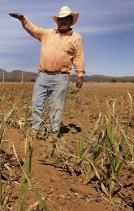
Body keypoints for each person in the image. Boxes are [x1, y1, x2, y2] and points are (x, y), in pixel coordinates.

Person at [9, 6, 85, 139]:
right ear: (57, 21)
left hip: (61, 77)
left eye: (66, 19)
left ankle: (53, 134)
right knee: (37, 104)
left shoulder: (76, 37)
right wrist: (23, 19)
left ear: (71, 21)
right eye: (61, 19)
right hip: (43, 75)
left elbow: (78, 57)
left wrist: (80, 74)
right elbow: (33, 29)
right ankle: (37, 131)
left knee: (56, 107)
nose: (63, 22)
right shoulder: (47, 33)